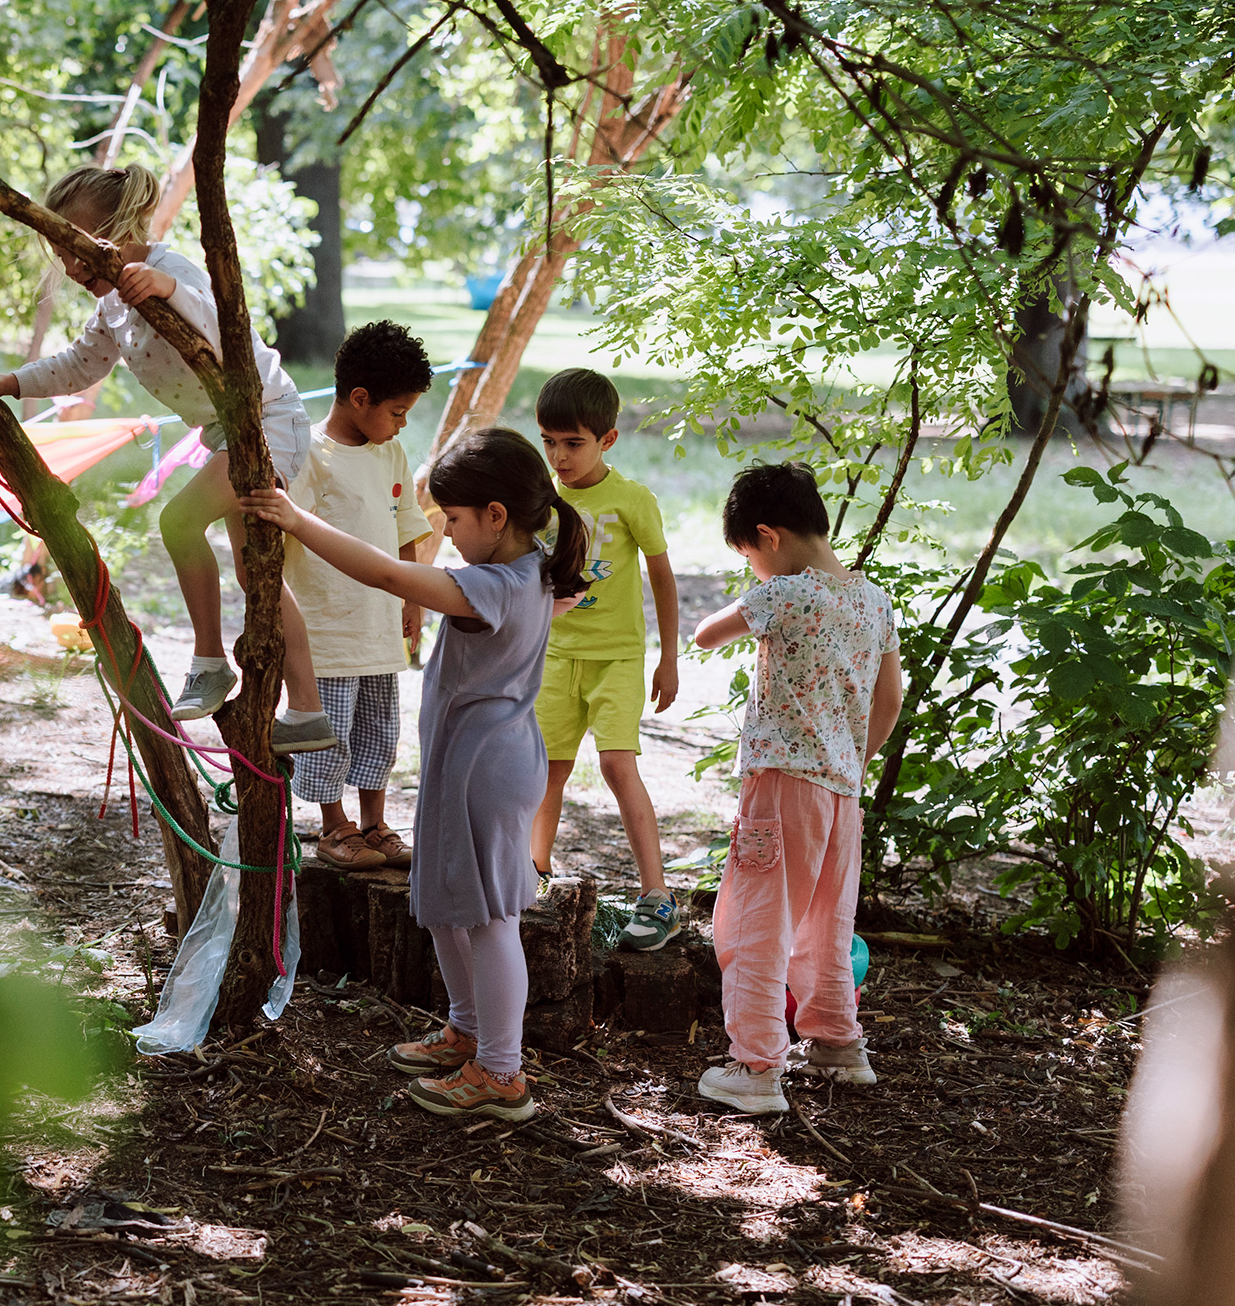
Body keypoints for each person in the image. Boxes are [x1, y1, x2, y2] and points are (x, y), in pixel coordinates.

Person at [242, 428, 588, 1122]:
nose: (447, 534)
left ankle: (502, 1073)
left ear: (496, 515)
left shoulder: (493, 584)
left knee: (490, 918)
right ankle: (467, 1030)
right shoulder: (535, 570)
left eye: (453, 519)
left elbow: (389, 575)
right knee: (447, 903)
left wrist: (296, 519)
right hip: (469, 765)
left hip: (484, 770)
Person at [0, 163, 335, 755]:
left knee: (180, 522)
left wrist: (168, 289)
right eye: (60, 255)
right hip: (228, 433)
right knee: (255, 569)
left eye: (75, 249)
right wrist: (12, 382)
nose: (69, 267)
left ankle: (211, 662)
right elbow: (78, 365)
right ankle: (306, 711)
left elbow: (223, 326)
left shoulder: (171, 272)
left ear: (119, 230)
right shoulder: (112, 308)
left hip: (269, 421)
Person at [690, 464, 902, 1114]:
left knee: (755, 922)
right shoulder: (874, 600)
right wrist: (854, 758)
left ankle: (756, 1066)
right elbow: (890, 699)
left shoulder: (785, 594)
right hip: (842, 792)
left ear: (768, 536)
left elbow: (705, 635)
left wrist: (758, 597)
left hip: (783, 786)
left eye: (748, 556)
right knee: (827, 923)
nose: (753, 568)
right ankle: (838, 1043)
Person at [527, 368, 683, 948]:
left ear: (607, 440)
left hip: (617, 657)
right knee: (547, 770)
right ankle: (533, 876)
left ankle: (657, 896)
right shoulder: (540, 502)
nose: (559, 457)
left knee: (618, 765)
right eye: (549, 442)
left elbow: (663, 579)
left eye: (574, 443)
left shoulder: (632, 499)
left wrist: (669, 658)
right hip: (554, 657)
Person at [285, 321, 436, 871]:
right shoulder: (308, 455)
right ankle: (334, 826)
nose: (401, 424)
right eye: (397, 412)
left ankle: (374, 825)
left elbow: (405, 529)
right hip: (325, 632)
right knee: (329, 737)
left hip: (378, 628)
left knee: (379, 734)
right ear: (359, 398)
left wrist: (412, 600)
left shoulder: (389, 455)